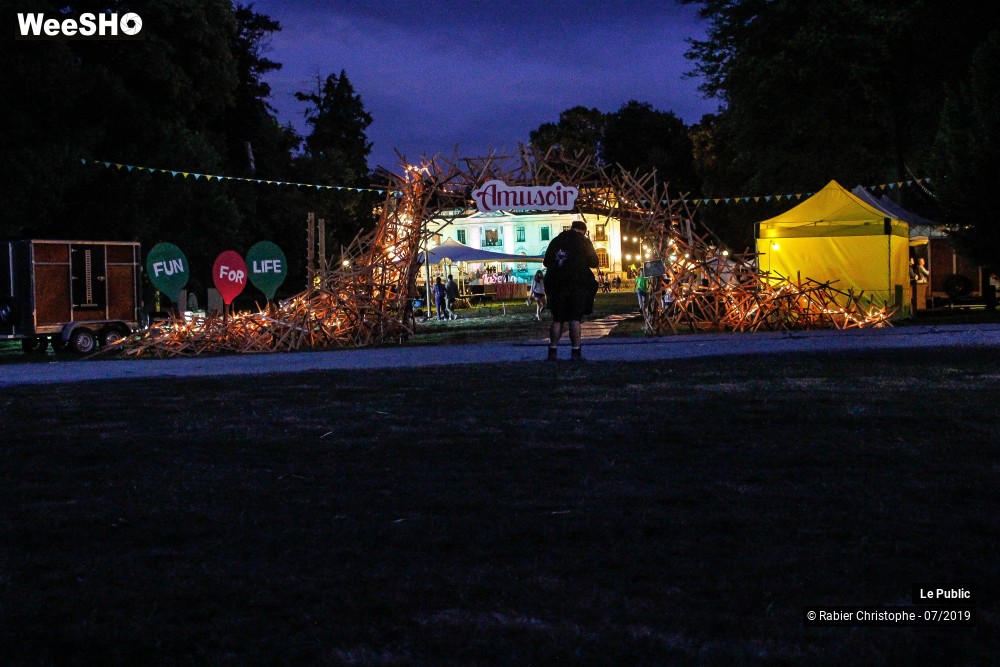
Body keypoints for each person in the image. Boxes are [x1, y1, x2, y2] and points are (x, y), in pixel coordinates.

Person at [543, 219, 599, 360]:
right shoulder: (584, 242)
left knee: (557, 319)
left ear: (571, 228)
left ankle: (553, 350)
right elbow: (594, 263)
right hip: (577, 285)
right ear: (583, 231)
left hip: (557, 286)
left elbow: (546, 262)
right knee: (575, 319)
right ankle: (576, 351)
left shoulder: (556, 241)